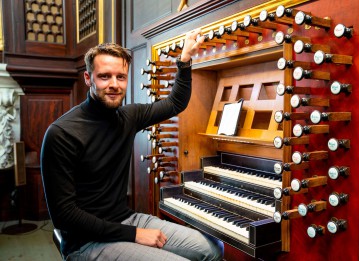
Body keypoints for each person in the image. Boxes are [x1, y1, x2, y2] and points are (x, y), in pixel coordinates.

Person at [40, 29, 223, 261]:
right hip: (84, 241)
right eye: (104, 76)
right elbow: (64, 216)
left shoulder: (129, 116)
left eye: (121, 77)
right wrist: (134, 234)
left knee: (213, 250)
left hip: (124, 219)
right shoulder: (61, 133)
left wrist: (184, 60)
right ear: (88, 79)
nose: (114, 84)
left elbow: (175, 103)